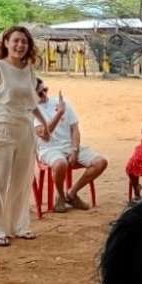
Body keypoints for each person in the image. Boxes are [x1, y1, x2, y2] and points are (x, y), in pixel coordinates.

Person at [0, 26, 47, 247]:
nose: (20, 46)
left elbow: (32, 103)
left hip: (25, 128)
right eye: (15, 41)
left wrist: (44, 123)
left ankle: (17, 225)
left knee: (22, 179)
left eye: (24, 42)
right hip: (3, 127)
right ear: (6, 42)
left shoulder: (28, 70)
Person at [34, 78, 108, 212]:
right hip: (48, 148)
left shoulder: (63, 102)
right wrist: (59, 113)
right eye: (40, 93)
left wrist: (74, 149)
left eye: (45, 90)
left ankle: (71, 194)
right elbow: (45, 134)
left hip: (69, 145)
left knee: (101, 162)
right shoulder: (32, 110)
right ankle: (60, 197)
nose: (44, 94)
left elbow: (75, 129)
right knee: (61, 163)